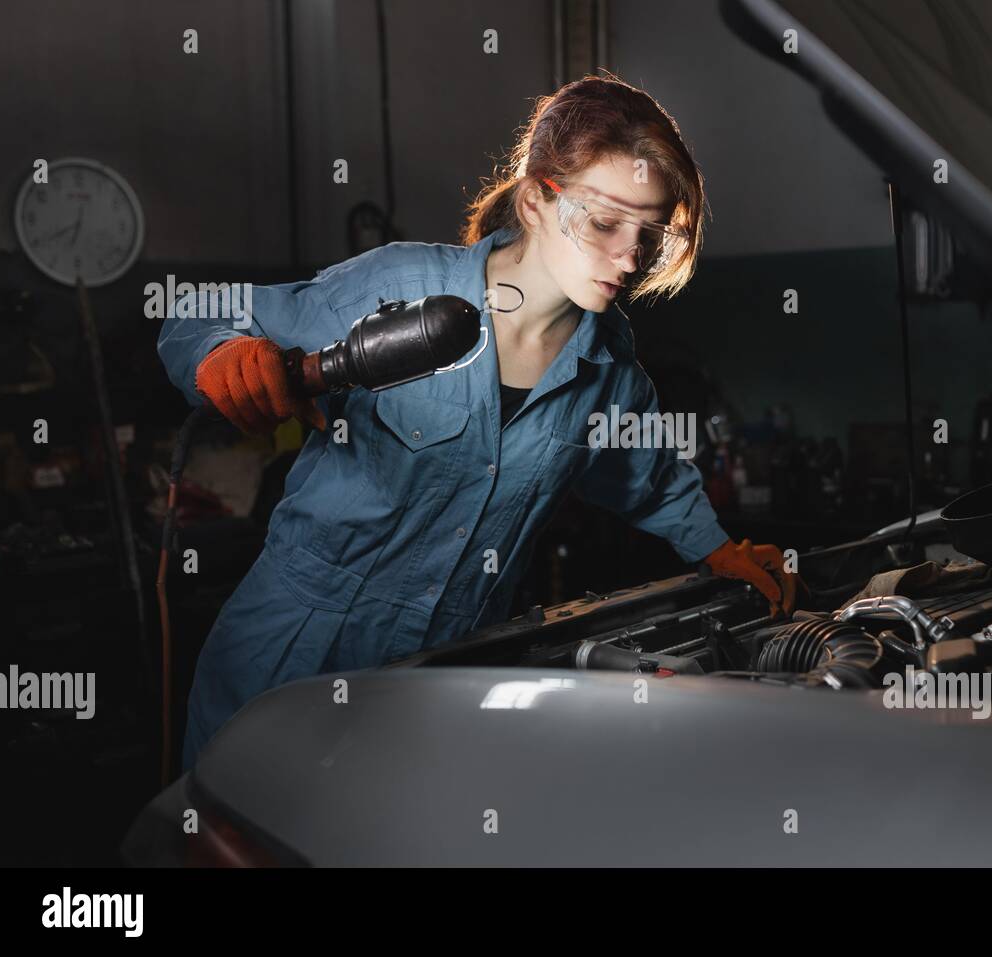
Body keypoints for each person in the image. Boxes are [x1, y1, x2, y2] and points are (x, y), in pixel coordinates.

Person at [158, 73, 797, 771]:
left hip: (451, 669)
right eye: (605, 221)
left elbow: (646, 481)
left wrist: (719, 548)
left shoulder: (609, 373)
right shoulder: (395, 290)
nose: (629, 257)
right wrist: (224, 352)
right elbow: (197, 311)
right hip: (297, 647)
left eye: (649, 233)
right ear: (534, 200)